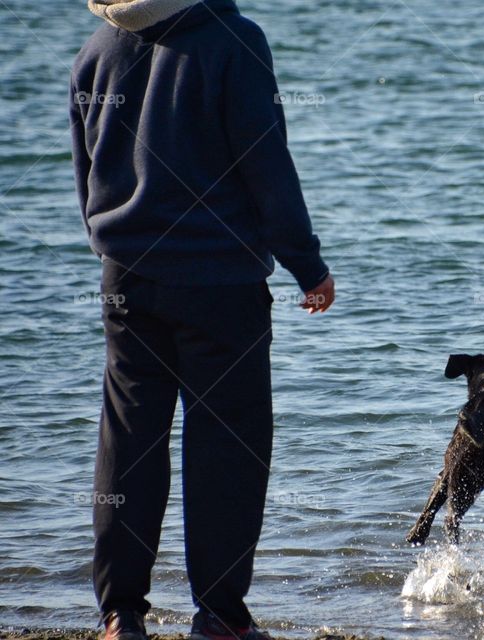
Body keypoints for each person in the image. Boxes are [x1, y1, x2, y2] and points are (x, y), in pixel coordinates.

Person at [69, 0, 335, 638]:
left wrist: (114, 244)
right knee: (227, 448)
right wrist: (306, 262)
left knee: (129, 443)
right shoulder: (233, 40)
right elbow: (265, 161)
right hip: (221, 283)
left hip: (127, 280)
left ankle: (119, 614)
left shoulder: (97, 50)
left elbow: (87, 173)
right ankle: (218, 614)